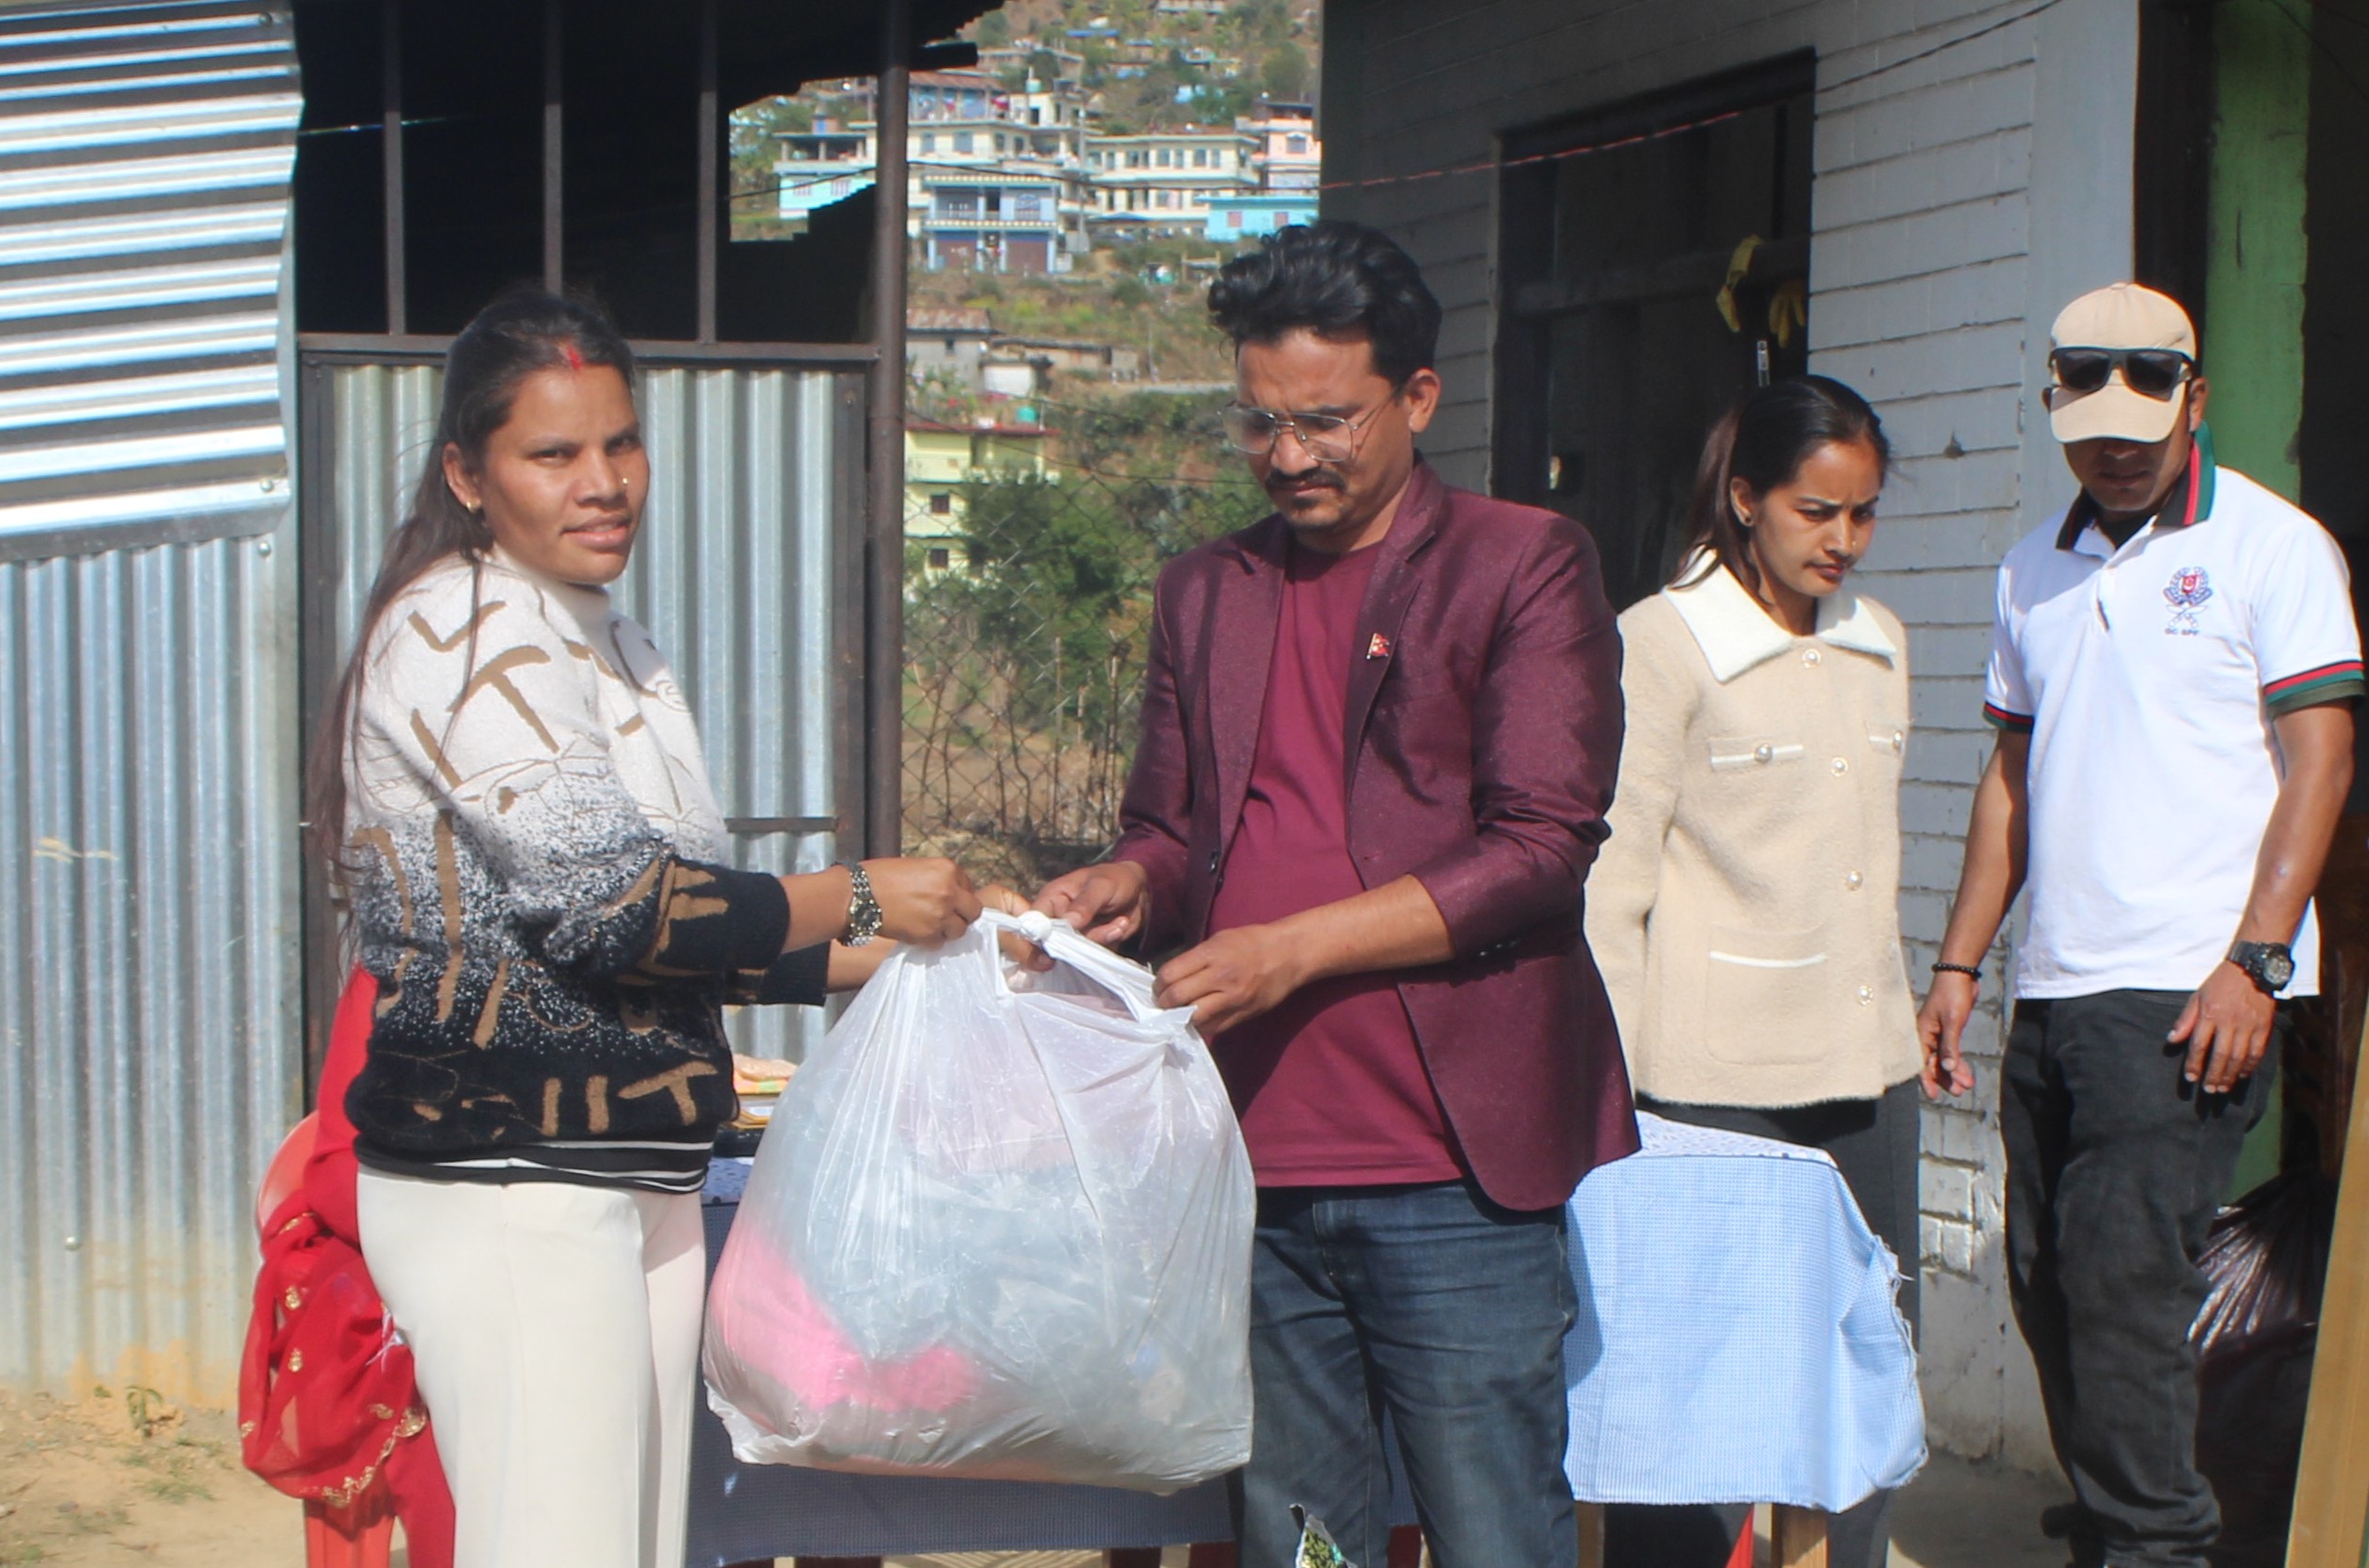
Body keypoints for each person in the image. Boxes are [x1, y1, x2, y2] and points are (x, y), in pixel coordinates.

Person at [309, 288, 984, 1568]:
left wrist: (935, 939)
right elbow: (607, 899)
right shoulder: (457, 627)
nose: (603, 481)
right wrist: (852, 893)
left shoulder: (613, 640)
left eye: (621, 443)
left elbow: (684, 933)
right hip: (510, 1176)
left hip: (634, 1168)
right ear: (468, 471)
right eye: (553, 453)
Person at [1032, 221, 1638, 1568]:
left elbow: (1541, 844)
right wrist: (1124, 881)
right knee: (1299, 1535)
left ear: (1416, 398)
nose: (1290, 455)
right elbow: (1172, 828)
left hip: (1450, 1165)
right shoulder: (1207, 589)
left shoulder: (1522, 560)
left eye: (1326, 421)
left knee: (1492, 1528)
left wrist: (1287, 952)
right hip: (1249, 1155)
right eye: (1260, 421)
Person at [1919, 281, 2359, 1568]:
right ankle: (2120, 1529)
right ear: (2055, 402)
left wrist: (2259, 960)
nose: (2115, 442)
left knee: (2123, 1285)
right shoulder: (2030, 567)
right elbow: (2013, 780)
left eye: (2144, 411)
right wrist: (1959, 961)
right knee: (2050, 1281)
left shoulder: (2274, 548)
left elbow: (2319, 763)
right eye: (2089, 412)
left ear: (2196, 400)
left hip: (2189, 987)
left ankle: (2154, 1548)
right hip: (2056, 984)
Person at [1585, 375, 1915, 1568]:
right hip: (1708, 1083)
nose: (1841, 540)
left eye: (1863, 514)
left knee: (1862, 1374)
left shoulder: (1882, 647)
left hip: (1867, 1072)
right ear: (1743, 498)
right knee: (1695, 1404)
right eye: (1814, 511)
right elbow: (1611, 880)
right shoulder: (1663, 643)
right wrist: (1608, 1086)